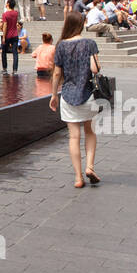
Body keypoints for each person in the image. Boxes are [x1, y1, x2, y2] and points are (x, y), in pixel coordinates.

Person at [49, 10, 102, 188]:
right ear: (81, 24)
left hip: (68, 95)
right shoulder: (89, 43)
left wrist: (53, 95)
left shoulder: (61, 46)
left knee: (73, 137)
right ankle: (90, 167)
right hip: (87, 93)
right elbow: (95, 70)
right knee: (90, 131)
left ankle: (78, 178)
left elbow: (57, 73)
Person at [0, 0, 21, 74]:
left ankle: (4, 68)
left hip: (8, 35)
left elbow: (5, 26)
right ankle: (15, 70)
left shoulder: (5, 14)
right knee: (15, 52)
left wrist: (4, 37)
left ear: (8, 4)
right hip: (15, 35)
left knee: (4, 52)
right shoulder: (16, 13)